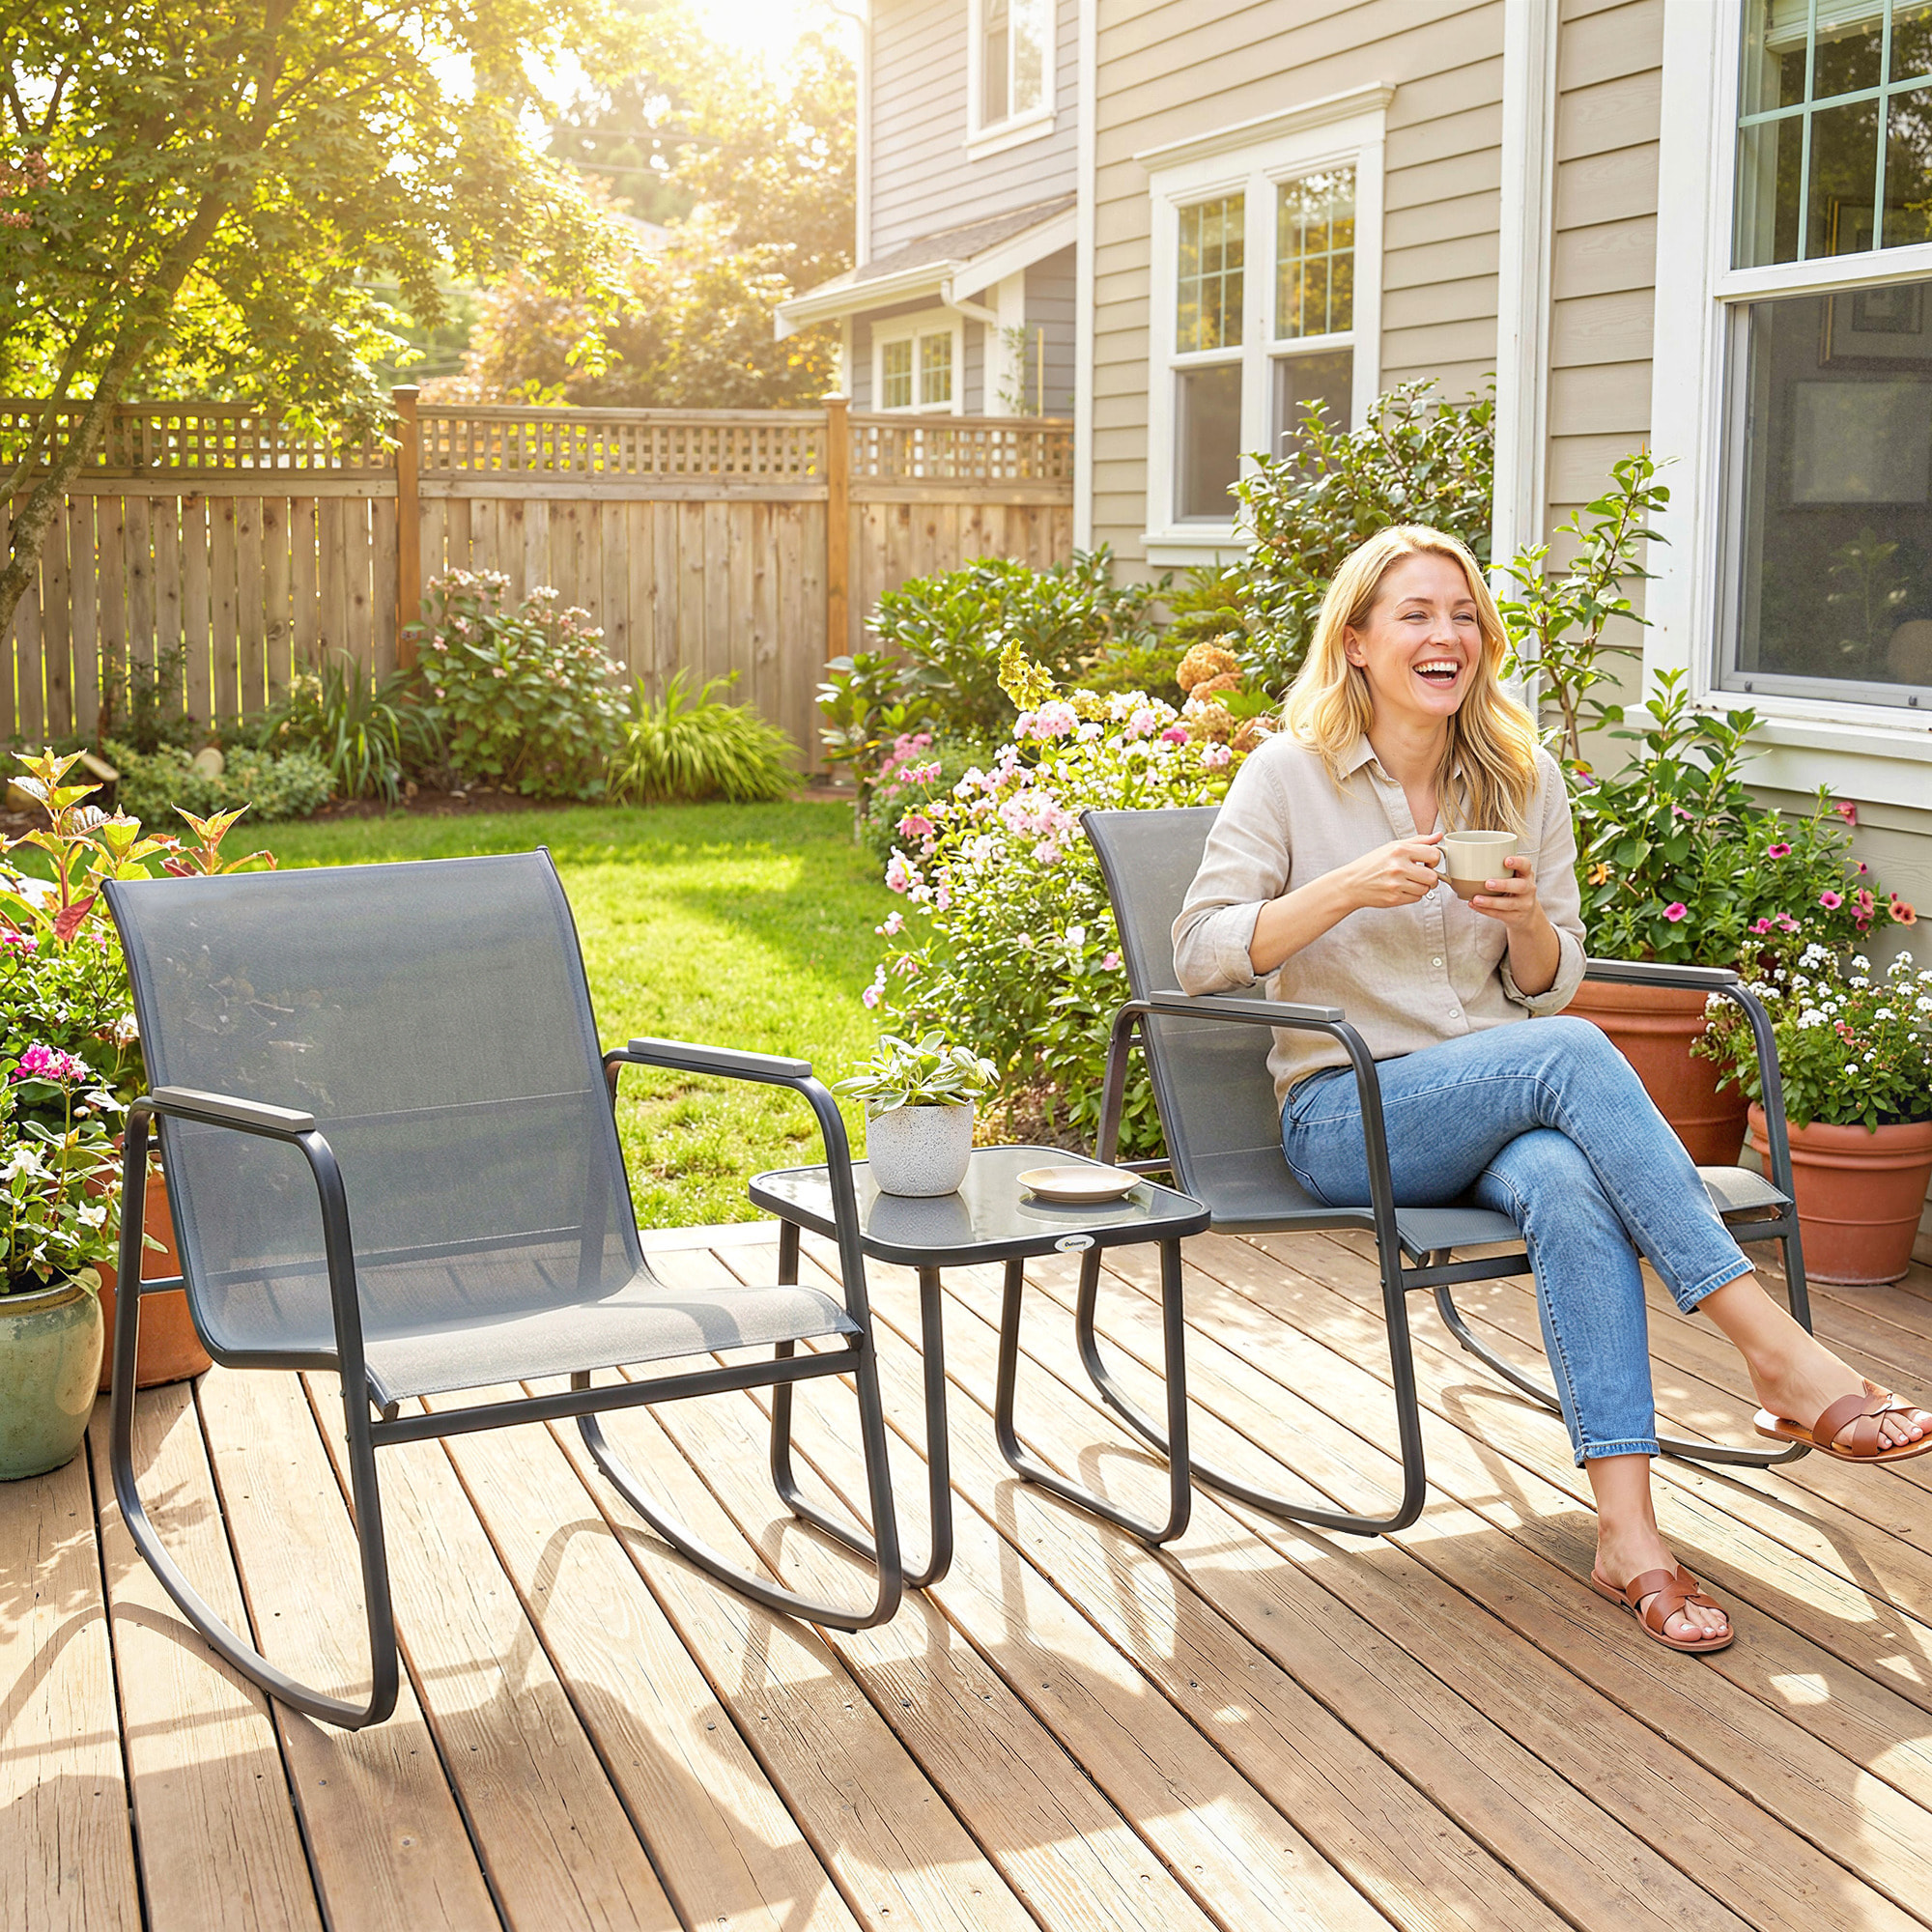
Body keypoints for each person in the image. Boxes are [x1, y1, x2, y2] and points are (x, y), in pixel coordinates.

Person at [1172, 524, 1931, 1654]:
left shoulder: (1516, 778)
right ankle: (1769, 1348)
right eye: (1416, 615)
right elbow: (1197, 952)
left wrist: (1522, 917)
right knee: (1570, 1053)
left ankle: (1627, 1535)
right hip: (1349, 1111)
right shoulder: (1286, 774)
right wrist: (1341, 890)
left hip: (1494, 1098)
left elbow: (1546, 977)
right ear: (1358, 642)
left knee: (1569, 1180)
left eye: (1462, 614)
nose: (1446, 635)